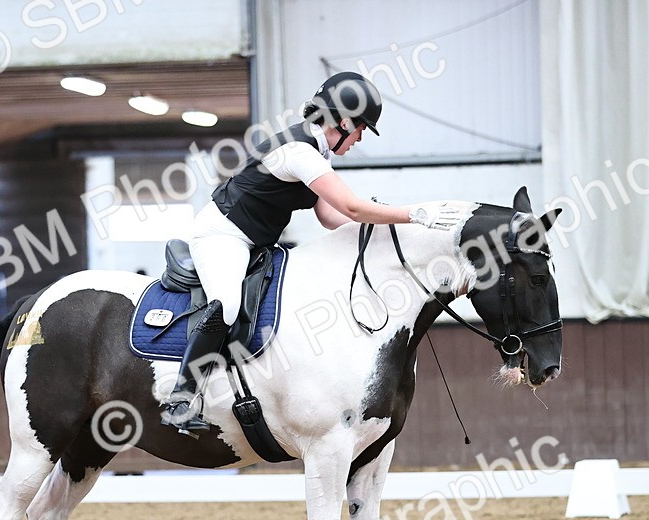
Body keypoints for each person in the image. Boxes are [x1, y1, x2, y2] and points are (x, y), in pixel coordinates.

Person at [160, 71, 464, 435]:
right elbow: (351, 208)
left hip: (256, 242)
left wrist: (382, 224)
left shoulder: (318, 152)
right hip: (222, 234)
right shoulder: (297, 152)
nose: (361, 137)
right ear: (344, 121)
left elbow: (332, 217)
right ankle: (180, 398)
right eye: (362, 127)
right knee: (226, 303)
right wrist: (413, 213)